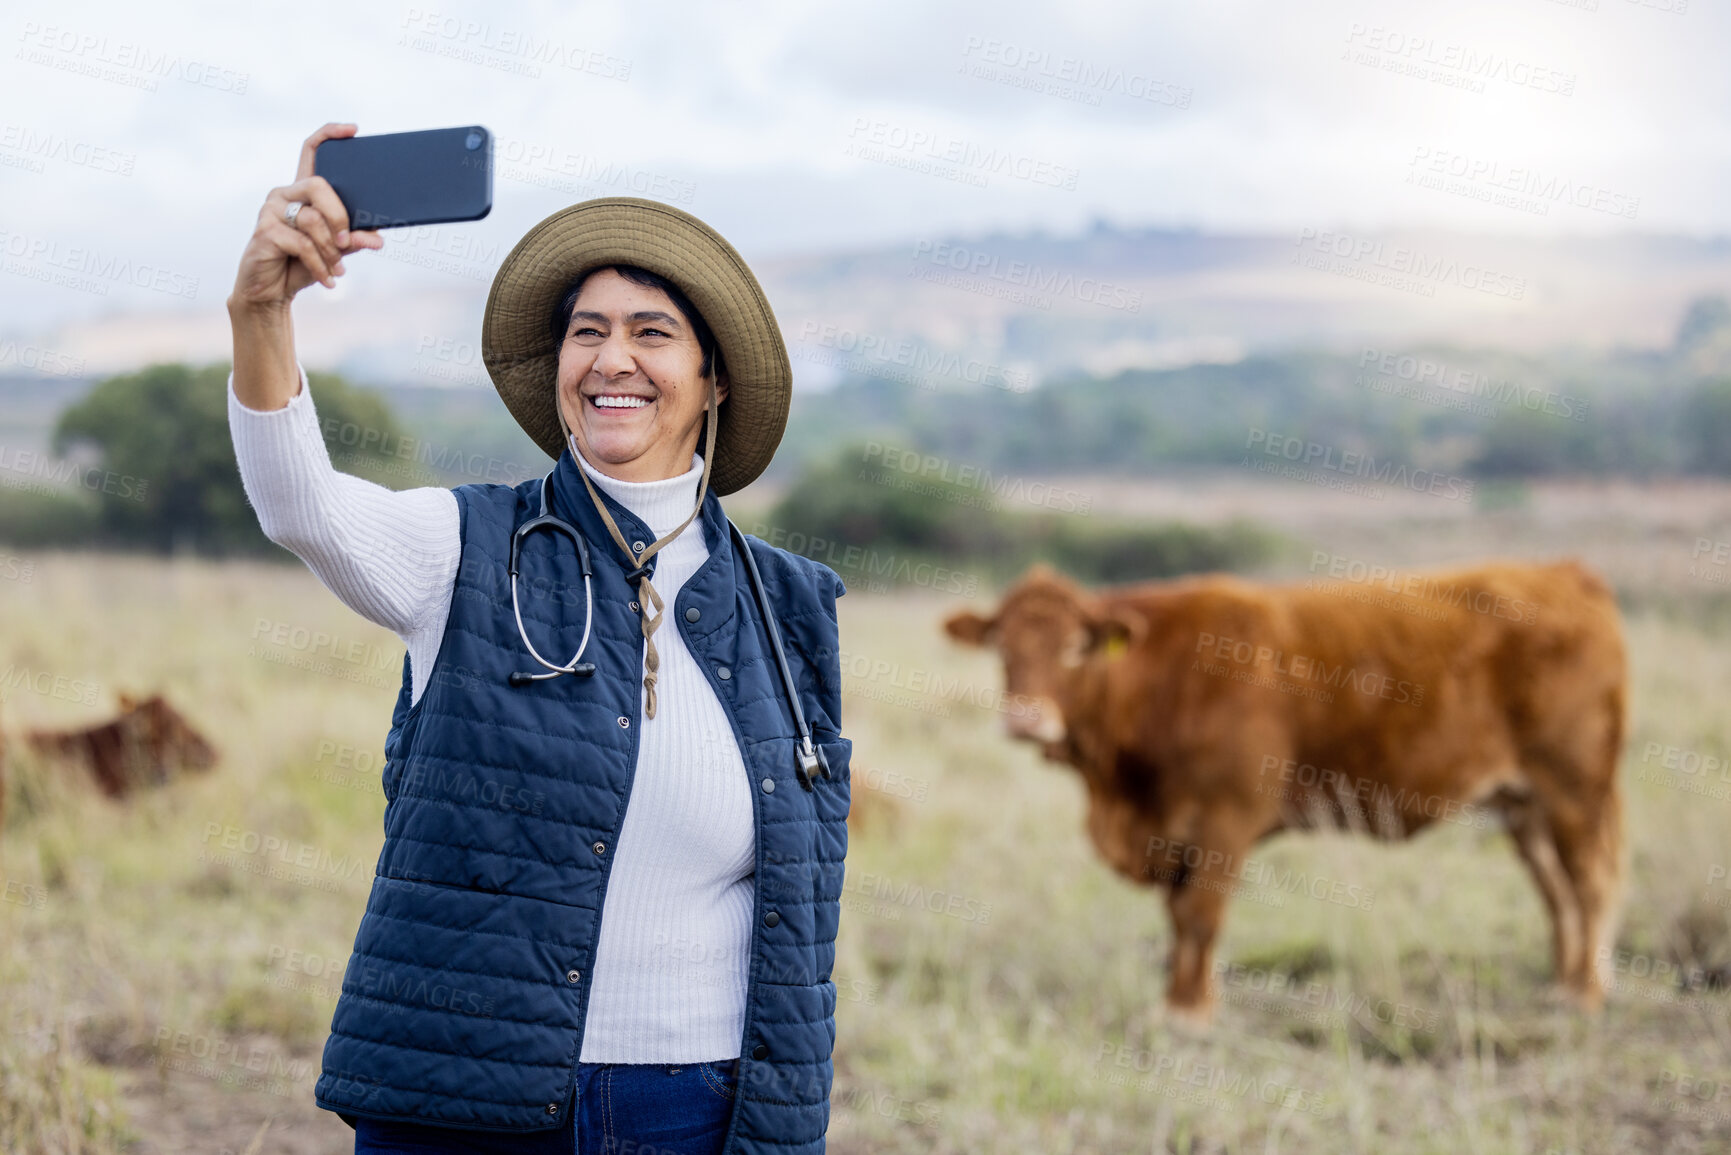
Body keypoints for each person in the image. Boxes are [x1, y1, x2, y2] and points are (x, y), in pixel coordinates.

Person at [226, 122, 851, 1155]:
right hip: (475, 1104)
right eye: (587, 331)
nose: (613, 360)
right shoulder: (464, 546)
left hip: (698, 1108)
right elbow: (302, 506)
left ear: (714, 378)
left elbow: (794, 904)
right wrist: (261, 310)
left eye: (652, 333)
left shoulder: (788, 606)